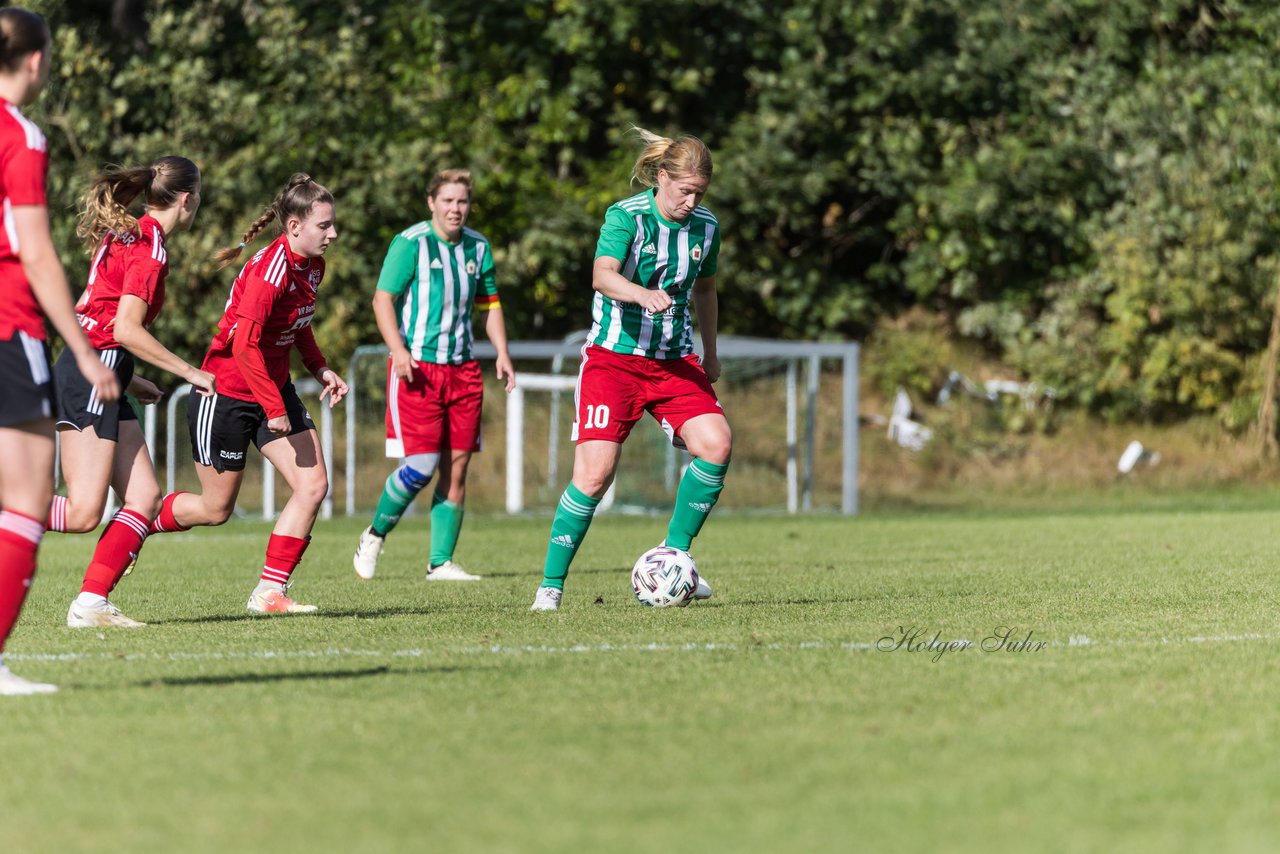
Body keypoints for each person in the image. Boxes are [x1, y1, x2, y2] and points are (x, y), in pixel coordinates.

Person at [530, 129, 730, 611]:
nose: (691, 201)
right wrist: (642, 294)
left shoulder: (706, 226)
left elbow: (705, 290)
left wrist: (711, 349)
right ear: (662, 178)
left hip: (673, 362)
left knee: (717, 444)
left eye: (699, 193)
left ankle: (674, 558)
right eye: (684, 191)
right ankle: (550, 587)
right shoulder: (626, 217)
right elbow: (602, 275)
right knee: (595, 476)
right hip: (613, 362)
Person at [147, 173, 347, 614]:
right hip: (226, 393)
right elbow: (245, 345)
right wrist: (273, 407)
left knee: (313, 486)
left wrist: (321, 366)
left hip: (273, 390)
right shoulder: (269, 269)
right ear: (294, 226)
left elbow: (299, 323)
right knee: (215, 509)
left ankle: (269, 592)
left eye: (334, 225)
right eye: (324, 225)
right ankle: (141, 520)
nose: (332, 234)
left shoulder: (312, 265)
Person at [0, 7, 120, 694]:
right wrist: (82, 350)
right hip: (10, 327)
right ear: (37, 61)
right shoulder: (22, 135)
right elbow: (37, 252)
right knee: (25, 502)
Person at [50, 156, 213, 629]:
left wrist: (129, 377)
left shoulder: (128, 231)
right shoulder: (150, 247)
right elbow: (124, 328)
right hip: (95, 369)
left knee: (143, 496)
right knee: (84, 512)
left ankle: (91, 603)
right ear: (188, 200)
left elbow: (94, 312)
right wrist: (189, 372)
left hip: (100, 368)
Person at [352, 168, 515, 582]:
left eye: (462, 201)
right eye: (447, 201)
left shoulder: (478, 247)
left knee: (456, 470)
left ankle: (440, 562)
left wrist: (502, 353)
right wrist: (399, 351)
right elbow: (382, 299)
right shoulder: (411, 244)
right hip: (417, 371)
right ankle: (374, 535)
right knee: (420, 467)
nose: (455, 209)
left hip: (463, 372)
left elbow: (490, 304)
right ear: (432, 203)